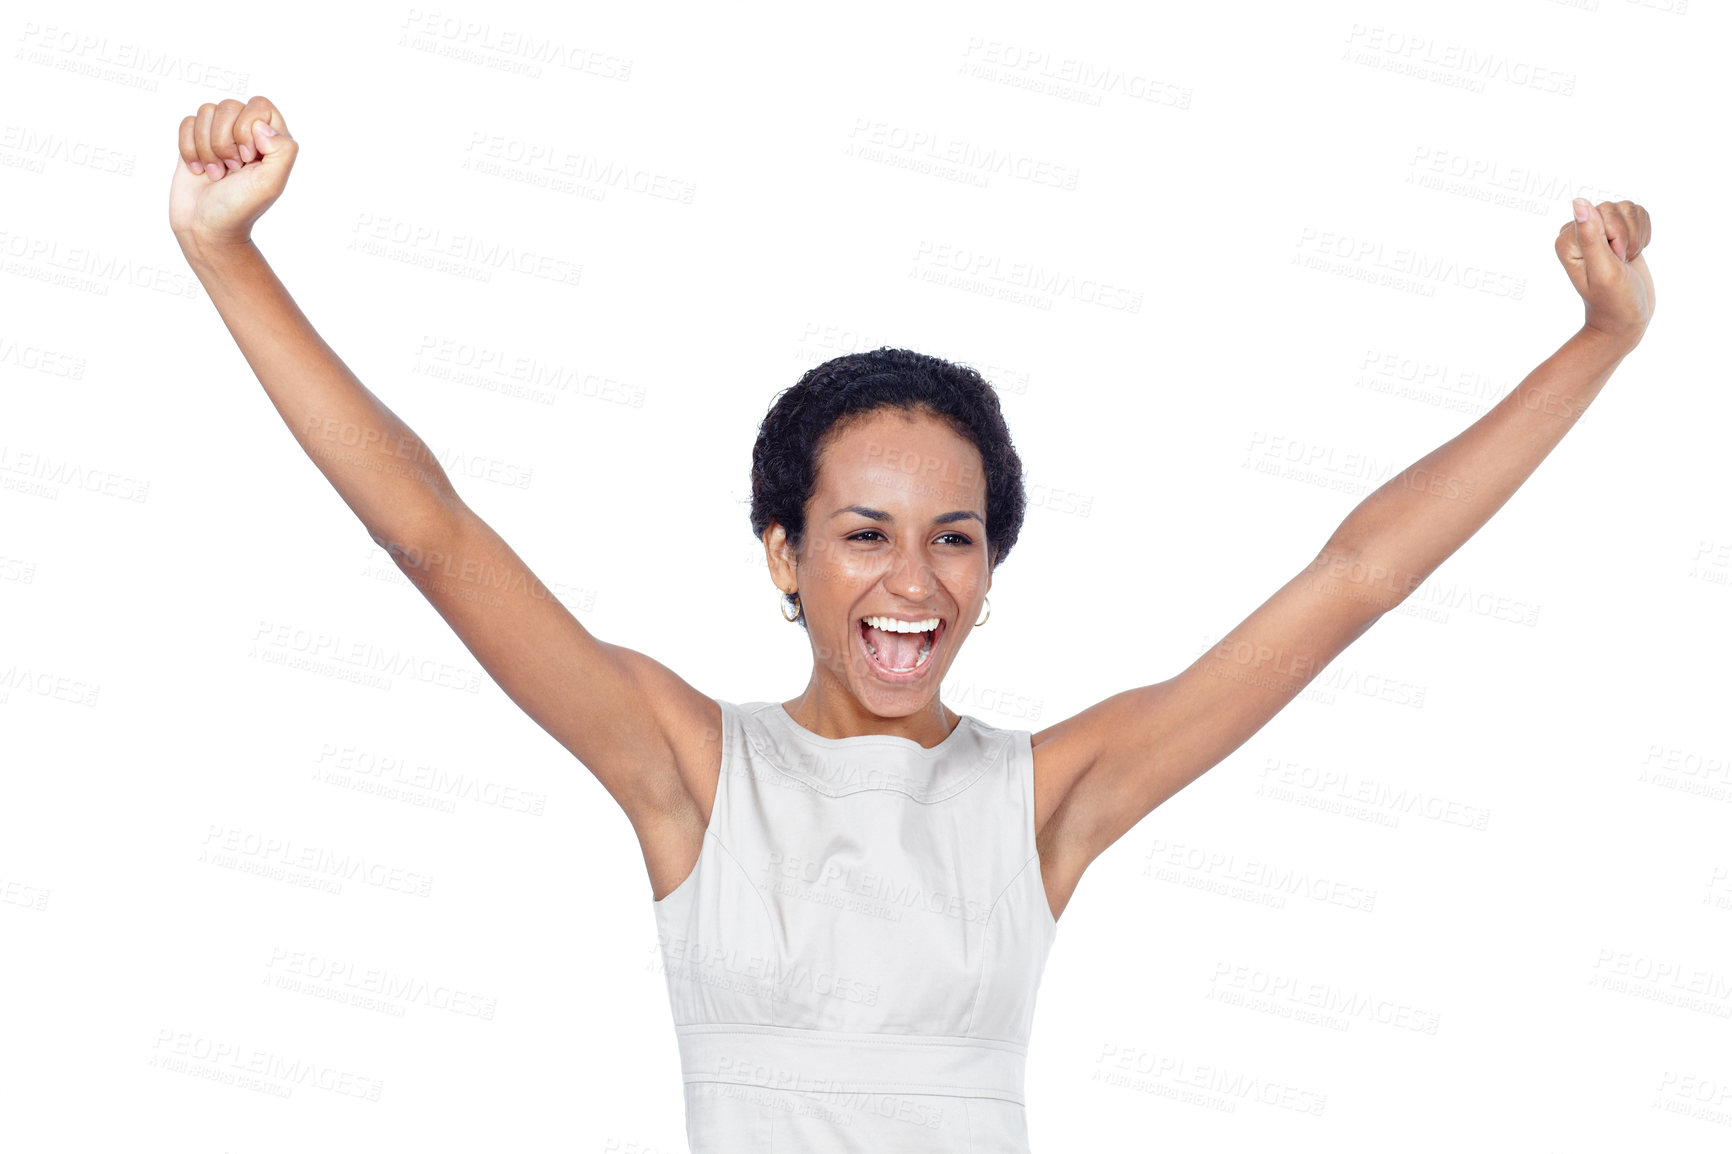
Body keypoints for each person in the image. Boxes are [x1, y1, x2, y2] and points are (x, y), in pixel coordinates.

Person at [170, 96, 1655, 1152]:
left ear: (993, 565)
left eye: (955, 538)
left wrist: (1600, 341)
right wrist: (227, 253)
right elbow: (431, 536)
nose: (913, 582)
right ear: (784, 557)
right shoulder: (691, 770)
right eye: (865, 535)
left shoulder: (1042, 797)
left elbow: (1353, 581)